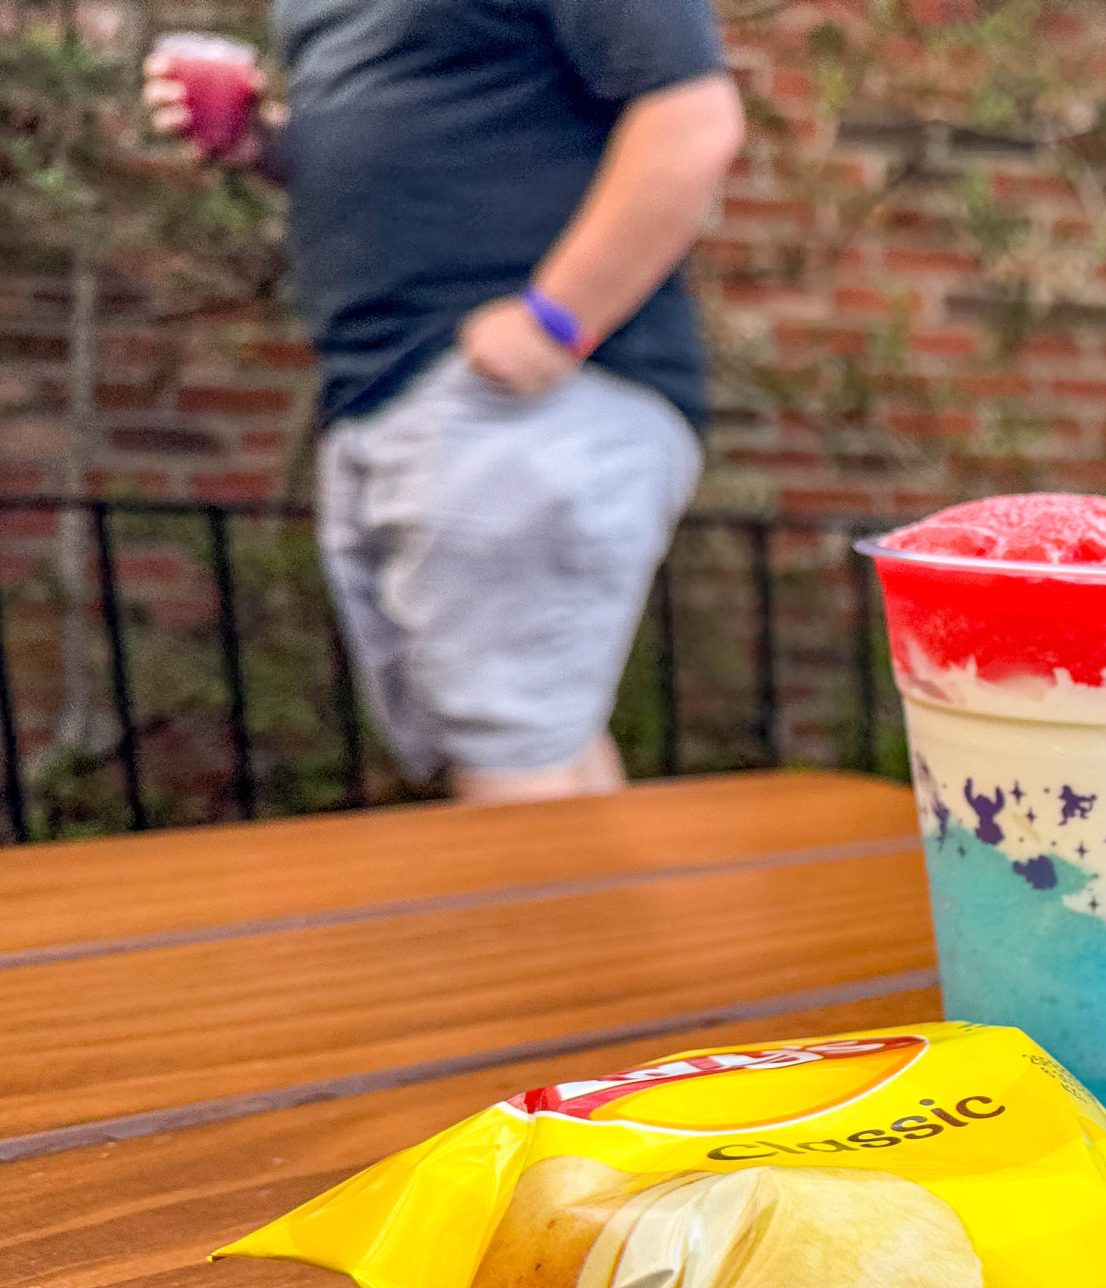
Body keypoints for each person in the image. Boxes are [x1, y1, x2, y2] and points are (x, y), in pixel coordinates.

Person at [145, 1, 745, 804]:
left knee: (506, 749)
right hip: (389, 392)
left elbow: (692, 118)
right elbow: (421, 134)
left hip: (520, 396)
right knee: (531, 738)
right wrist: (266, 144)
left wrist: (554, 323)